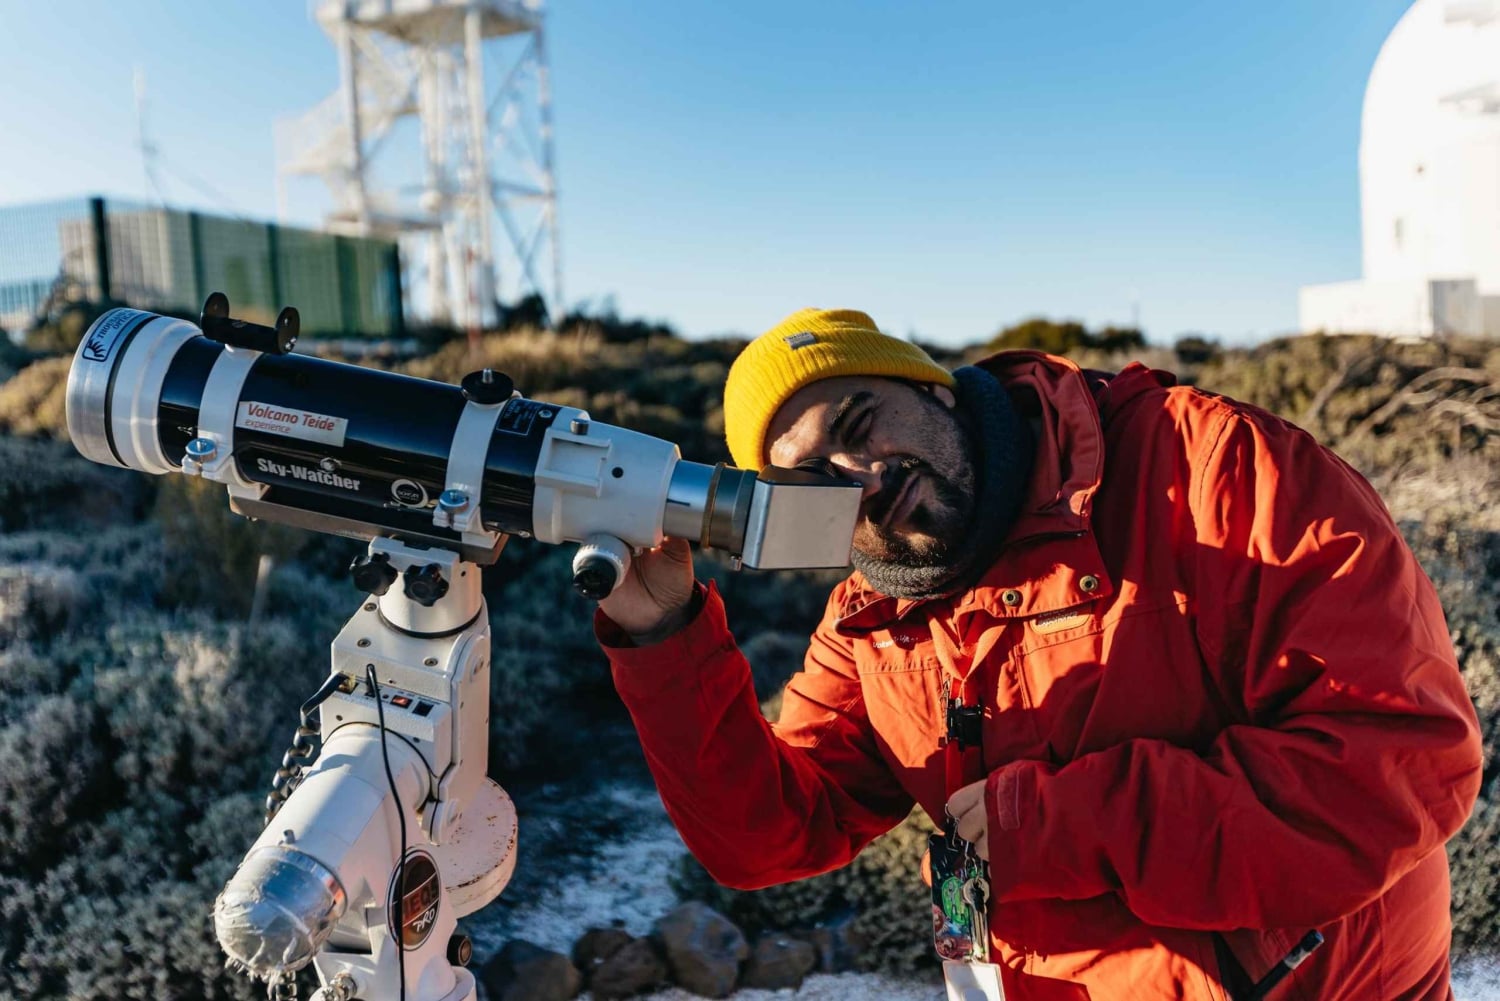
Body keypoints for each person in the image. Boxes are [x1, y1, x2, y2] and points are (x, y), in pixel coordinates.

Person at [594, 307, 1484, 1000]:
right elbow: (770, 836)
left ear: (933, 387)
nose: (860, 477)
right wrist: (663, 635)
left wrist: (1066, 826)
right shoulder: (873, 613)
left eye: (862, 421)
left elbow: (1399, 760)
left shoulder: (1213, 469)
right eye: (811, 475)